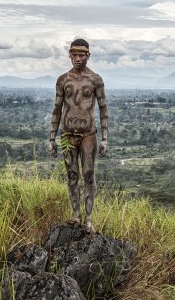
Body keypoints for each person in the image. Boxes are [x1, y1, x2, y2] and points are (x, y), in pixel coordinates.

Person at [49, 38, 108, 233]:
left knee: (89, 176)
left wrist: (105, 138)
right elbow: (57, 109)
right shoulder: (63, 80)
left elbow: (103, 109)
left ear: (88, 56)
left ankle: (89, 219)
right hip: (67, 134)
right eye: (74, 54)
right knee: (72, 176)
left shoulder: (95, 80)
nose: (78, 58)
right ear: (69, 55)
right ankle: (76, 215)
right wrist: (51, 138)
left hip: (89, 135)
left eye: (82, 55)